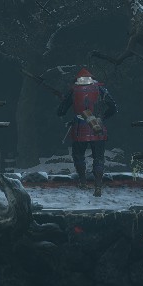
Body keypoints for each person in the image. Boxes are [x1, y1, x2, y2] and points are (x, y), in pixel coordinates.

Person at [57, 68, 117, 196]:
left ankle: (83, 182)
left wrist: (65, 101)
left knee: (78, 156)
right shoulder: (101, 89)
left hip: (80, 128)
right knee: (99, 158)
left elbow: (61, 111)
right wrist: (102, 118)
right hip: (97, 127)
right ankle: (98, 186)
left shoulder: (74, 91)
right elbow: (113, 108)